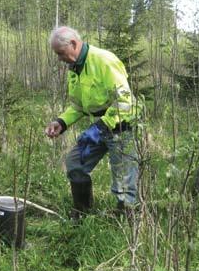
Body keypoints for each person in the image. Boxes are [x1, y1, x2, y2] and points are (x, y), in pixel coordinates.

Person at [45, 26, 140, 221]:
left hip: (121, 127)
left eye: (60, 53)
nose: (59, 58)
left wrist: (101, 128)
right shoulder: (75, 68)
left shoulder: (104, 61)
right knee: (74, 163)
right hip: (98, 128)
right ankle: (82, 211)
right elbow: (79, 106)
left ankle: (127, 220)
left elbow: (125, 101)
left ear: (73, 44)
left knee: (123, 182)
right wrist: (61, 122)